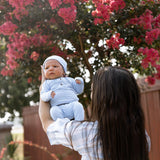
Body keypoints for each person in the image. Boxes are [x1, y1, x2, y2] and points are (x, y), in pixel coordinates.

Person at [39, 66, 150, 160]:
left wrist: (44, 88)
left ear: (101, 98)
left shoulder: (88, 133)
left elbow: (47, 122)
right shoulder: (142, 137)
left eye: (93, 91)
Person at [40, 55, 84, 121]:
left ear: (63, 71)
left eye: (55, 66)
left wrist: (80, 82)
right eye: (47, 68)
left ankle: (79, 123)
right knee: (53, 111)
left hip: (72, 105)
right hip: (58, 107)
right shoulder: (47, 83)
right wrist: (49, 94)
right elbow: (43, 95)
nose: (51, 69)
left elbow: (79, 91)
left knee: (78, 106)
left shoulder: (69, 80)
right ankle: (63, 125)